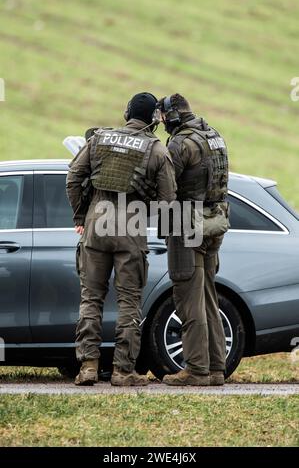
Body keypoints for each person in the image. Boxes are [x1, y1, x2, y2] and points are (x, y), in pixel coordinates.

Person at [66, 92, 176, 386]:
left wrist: (80, 217)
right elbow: (168, 199)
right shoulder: (156, 149)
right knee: (129, 301)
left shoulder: (99, 139)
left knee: (91, 298)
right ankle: (122, 371)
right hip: (131, 225)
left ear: (127, 112)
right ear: (152, 119)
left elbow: (73, 178)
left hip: (95, 222)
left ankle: (88, 367)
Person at [158, 93, 229, 386]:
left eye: (163, 117)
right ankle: (215, 369)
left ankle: (196, 370)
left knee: (189, 299)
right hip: (215, 223)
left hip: (187, 226)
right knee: (209, 297)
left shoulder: (180, 143)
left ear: (172, 115)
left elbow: (165, 184)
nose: (161, 122)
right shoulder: (214, 136)